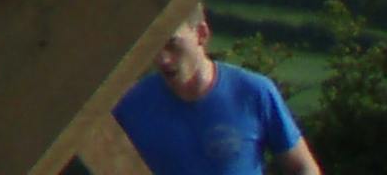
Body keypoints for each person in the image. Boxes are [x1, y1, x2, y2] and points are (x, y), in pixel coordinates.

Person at [111, 10, 320, 175]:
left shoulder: (253, 92)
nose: (163, 59)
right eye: (153, 47)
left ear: (201, 34)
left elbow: (303, 167)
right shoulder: (130, 105)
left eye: (172, 45)